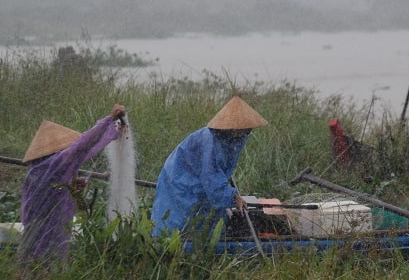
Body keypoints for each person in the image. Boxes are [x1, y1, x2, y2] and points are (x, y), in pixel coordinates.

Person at [19, 104, 127, 268]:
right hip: (42, 242)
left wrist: (71, 188)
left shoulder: (40, 172)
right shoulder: (51, 166)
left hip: (43, 239)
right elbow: (81, 146)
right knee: (39, 272)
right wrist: (109, 120)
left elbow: (53, 199)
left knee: (37, 277)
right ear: (55, 154)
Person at [150, 95, 267, 237]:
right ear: (228, 127)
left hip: (201, 180)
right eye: (238, 129)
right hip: (181, 180)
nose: (241, 132)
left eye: (244, 129)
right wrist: (233, 196)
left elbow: (220, 171)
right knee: (177, 221)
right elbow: (211, 177)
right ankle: (171, 246)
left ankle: (207, 246)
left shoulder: (236, 139)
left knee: (208, 222)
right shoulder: (209, 141)